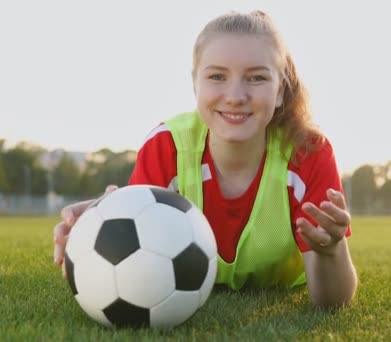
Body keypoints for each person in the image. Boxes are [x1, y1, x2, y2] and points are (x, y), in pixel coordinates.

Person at [53, 10, 357, 308]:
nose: (236, 95)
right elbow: (132, 265)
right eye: (217, 76)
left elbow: (331, 302)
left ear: (280, 90)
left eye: (256, 78)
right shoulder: (167, 145)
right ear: (195, 84)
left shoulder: (308, 152)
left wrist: (331, 249)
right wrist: (92, 235)